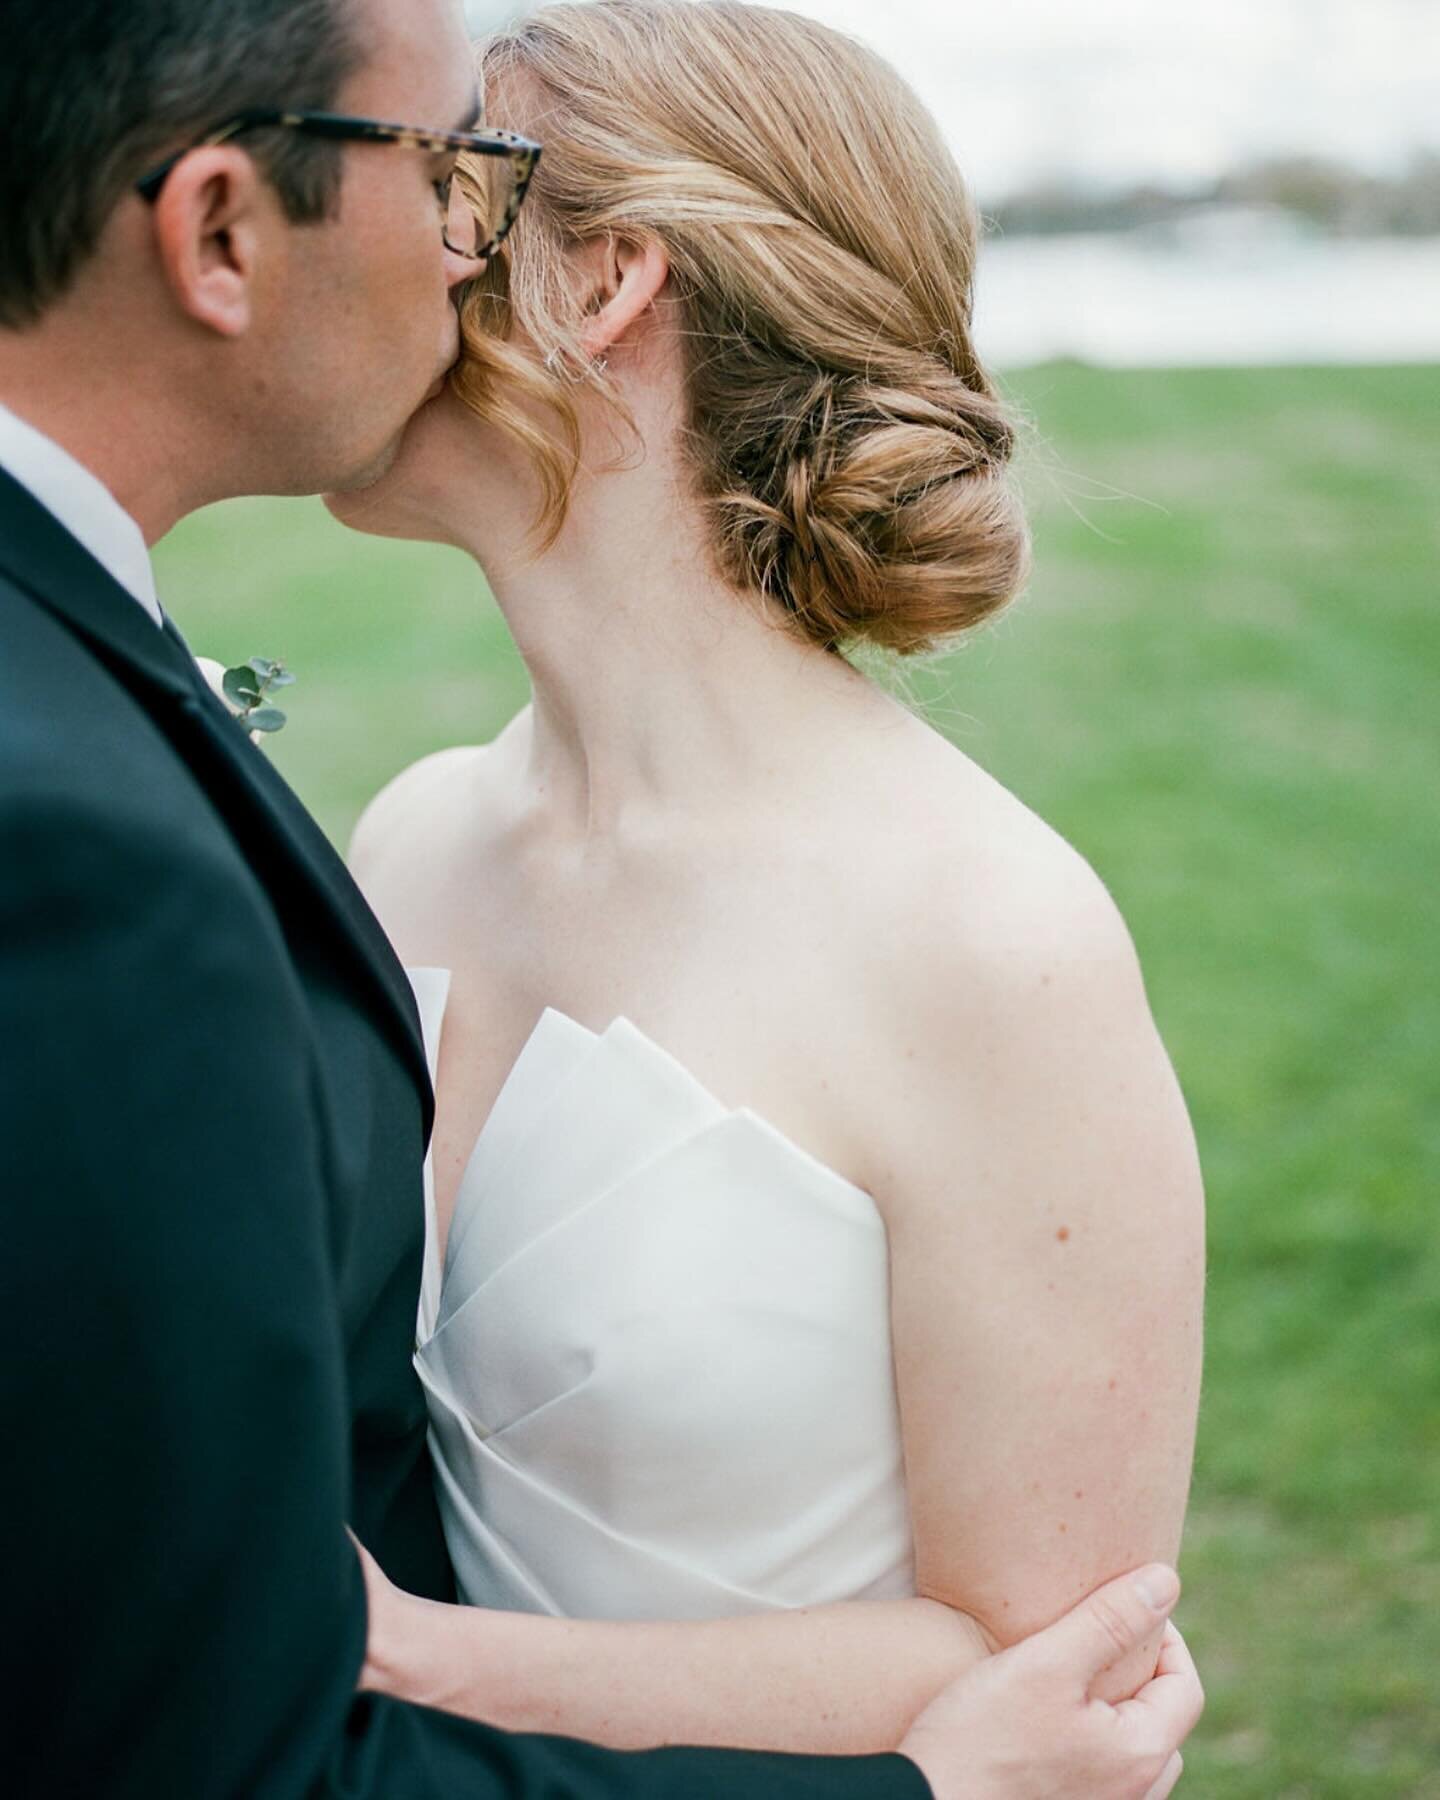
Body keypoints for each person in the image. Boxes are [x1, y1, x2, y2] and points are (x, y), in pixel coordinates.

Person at [0, 0, 1201, 1795]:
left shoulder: (987, 937)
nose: (405, 227)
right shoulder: (413, 840)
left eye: (463, 183)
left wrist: (403, 1652)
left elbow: (1057, 1661)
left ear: (607, 279)